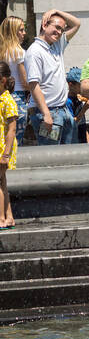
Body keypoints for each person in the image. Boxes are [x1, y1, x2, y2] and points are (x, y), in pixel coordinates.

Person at [23, 8, 81, 145]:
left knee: (70, 154)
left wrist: (56, 11)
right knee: (50, 155)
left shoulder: (57, 44)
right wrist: (46, 114)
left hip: (63, 110)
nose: (60, 32)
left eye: (62, 29)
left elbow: (77, 23)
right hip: (47, 114)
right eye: (57, 27)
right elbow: (33, 85)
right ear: (44, 25)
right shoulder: (34, 52)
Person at [0, 16, 28, 145]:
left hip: (3, 98)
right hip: (18, 99)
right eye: (21, 30)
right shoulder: (19, 53)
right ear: (13, 32)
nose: (24, 33)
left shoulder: (2, 52)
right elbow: (25, 82)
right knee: (16, 143)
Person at [0, 60, 19, 227]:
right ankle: (9, 217)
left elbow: (12, 130)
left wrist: (6, 154)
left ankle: (0, 218)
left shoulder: (8, 101)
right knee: (2, 183)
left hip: (3, 149)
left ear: (2, 81)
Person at [65, 67, 89, 144]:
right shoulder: (67, 102)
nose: (83, 87)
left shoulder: (78, 98)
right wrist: (84, 109)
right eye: (80, 84)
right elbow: (72, 123)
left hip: (81, 134)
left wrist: (86, 133)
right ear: (71, 84)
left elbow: (81, 121)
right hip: (73, 138)